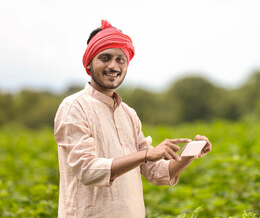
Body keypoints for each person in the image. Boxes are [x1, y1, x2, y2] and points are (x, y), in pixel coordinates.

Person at [54, 20, 212, 218]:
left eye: (121, 59)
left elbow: (155, 171)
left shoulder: (128, 114)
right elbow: (87, 170)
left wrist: (190, 154)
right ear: (88, 62)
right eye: (105, 58)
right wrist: (147, 154)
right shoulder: (74, 107)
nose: (113, 65)